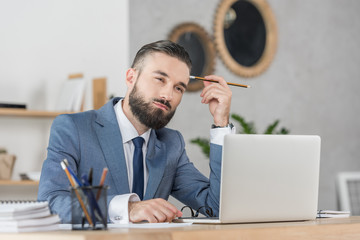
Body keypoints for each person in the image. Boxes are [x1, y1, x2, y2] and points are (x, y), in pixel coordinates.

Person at [38, 40, 234, 223]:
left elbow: (215, 207)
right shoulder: (74, 129)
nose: (167, 95)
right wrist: (128, 208)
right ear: (131, 77)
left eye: (178, 88)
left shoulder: (171, 143)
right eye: (159, 79)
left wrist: (221, 124)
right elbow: (50, 202)